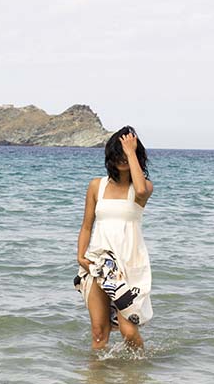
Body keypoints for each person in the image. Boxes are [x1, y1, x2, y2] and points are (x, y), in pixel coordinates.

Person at [74, 126, 154, 350]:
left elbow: (138, 190)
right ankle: (96, 376)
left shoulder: (145, 187)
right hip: (99, 261)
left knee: (129, 332)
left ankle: (139, 371)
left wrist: (131, 151)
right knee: (99, 333)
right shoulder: (96, 186)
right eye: (117, 152)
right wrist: (80, 256)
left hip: (128, 263)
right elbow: (87, 226)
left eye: (126, 152)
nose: (122, 157)